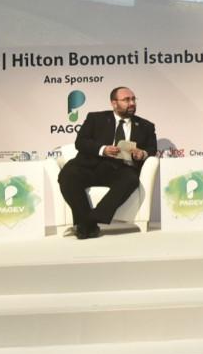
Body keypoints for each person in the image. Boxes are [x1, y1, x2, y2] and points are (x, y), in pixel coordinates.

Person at [56, 86, 156, 239]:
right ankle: (87, 224)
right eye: (126, 100)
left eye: (133, 99)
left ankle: (90, 220)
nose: (132, 103)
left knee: (131, 179)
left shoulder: (146, 126)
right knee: (68, 174)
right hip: (90, 165)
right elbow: (81, 142)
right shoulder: (95, 118)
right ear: (114, 103)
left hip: (120, 169)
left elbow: (152, 149)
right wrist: (103, 149)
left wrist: (142, 153)